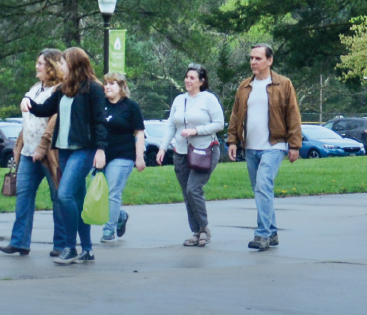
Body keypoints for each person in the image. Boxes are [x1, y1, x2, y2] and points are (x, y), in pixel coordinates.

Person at [21, 47, 107, 265]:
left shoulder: (94, 89)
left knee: (64, 195)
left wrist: (101, 150)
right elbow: (44, 109)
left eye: (63, 63)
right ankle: (86, 249)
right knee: (76, 199)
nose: (60, 67)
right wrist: (28, 103)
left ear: (75, 64)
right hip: (64, 149)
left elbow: (100, 122)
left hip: (84, 149)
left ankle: (69, 247)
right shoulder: (64, 88)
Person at [227, 44, 301, 251]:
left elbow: (293, 116)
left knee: (262, 185)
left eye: (258, 58)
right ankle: (273, 231)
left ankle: (262, 234)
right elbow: (235, 116)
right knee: (261, 189)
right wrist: (233, 141)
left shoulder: (283, 84)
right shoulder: (244, 86)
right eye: (251, 58)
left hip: (275, 145)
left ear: (270, 61)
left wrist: (294, 145)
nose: (253, 62)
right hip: (250, 147)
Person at [0, 49, 63, 257]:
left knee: (58, 198)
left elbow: (54, 121)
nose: (37, 66)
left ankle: (61, 244)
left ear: (52, 67)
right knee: (23, 196)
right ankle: (19, 242)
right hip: (27, 152)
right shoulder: (35, 88)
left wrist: (42, 147)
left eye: (41, 63)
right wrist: (20, 147)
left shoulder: (59, 91)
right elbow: (28, 118)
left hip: (50, 153)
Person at [160, 63, 225, 246]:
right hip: (181, 152)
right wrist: (162, 148)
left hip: (205, 151)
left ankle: (204, 228)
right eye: (187, 77)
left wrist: (196, 131)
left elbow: (219, 124)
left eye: (192, 78)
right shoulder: (179, 100)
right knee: (187, 193)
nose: (188, 81)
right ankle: (195, 231)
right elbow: (171, 125)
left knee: (193, 189)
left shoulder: (208, 99)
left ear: (201, 81)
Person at [98, 72, 146, 243]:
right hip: (101, 154)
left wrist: (139, 157)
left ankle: (109, 230)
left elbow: (139, 133)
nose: (108, 86)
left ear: (121, 87)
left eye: (112, 83)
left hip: (122, 154)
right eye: (106, 83)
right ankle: (120, 215)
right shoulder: (100, 105)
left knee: (113, 192)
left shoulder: (130, 106)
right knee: (100, 194)